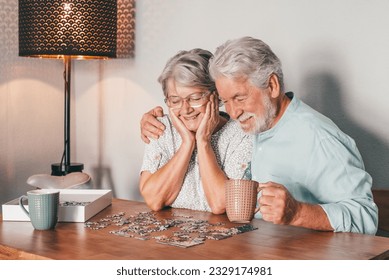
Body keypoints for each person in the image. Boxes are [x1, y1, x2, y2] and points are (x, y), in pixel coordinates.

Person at [140, 37, 378, 235]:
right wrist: (155, 120)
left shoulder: (320, 138)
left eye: (240, 98)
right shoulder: (252, 125)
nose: (232, 112)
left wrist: (299, 213)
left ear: (272, 86)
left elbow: (367, 218)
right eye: (225, 101)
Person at [139, 48, 252, 214]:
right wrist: (187, 143)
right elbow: (154, 200)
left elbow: (221, 204)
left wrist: (204, 141)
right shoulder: (160, 127)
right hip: (169, 236)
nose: (185, 110)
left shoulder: (242, 133)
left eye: (195, 98)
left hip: (229, 238)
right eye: (175, 100)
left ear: (216, 94)